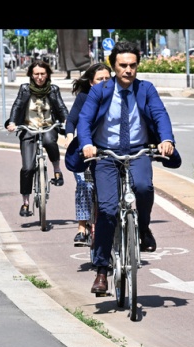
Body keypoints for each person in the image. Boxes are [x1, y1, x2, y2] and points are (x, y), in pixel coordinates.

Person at [77, 41, 177, 294]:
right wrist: (87, 144)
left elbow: (159, 114)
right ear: (113, 66)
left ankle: (143, 228)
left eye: (133, 65)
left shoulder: (146, 89)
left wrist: (166, 140)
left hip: (137, 150)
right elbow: (85, 120)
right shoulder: (100, 91)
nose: (128, 70)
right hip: (106, 154)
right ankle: (101, 270)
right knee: (108, 210)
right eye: (123, 65)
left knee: (143, 187)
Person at [5, 60, 68, 217]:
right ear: (31, 76)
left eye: (42, 74)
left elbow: (60, 107)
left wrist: (66, 121)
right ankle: (26, 203)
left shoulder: (53, 89)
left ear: (47, 75)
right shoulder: (25, 89)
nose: (40, 77)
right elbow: (18, 105)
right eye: (36, 74)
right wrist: (12, 122)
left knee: (48, 141)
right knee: (28, 168)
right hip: (29, 128)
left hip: (48, 127)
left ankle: (57, 170)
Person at [64, 63, 112, 246]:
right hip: (86, 150)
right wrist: (70, 136)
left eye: (108, 79)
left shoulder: (117, 97)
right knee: (84, 184)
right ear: (91, 83)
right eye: (100, 79)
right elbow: (73, 120)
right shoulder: (84, 98)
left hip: (109, 151)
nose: (105, 82)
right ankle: (82, 227)